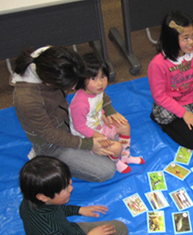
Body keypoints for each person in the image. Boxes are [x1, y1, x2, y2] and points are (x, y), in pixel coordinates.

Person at [11, 46, 116, 183]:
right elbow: (50, 134)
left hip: (73, 123)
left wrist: (107, 108)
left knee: (116, 137)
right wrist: (87, 144)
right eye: (69, 86)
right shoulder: (28, 100)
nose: (73, 88)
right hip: (51, 144)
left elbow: (92, 85)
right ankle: (45, 157)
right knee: (107, 171)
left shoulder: (61, 61)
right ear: (48, 83)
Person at [148, 11, 193, 150]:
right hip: (170, 105)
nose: (191, 42)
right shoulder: (158, 64)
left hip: (190, 100)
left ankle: (188, 116)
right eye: (185, 38)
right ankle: (161, 120)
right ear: (172, 38)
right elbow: (159, 96)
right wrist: (184, 114)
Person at [69, 54, 144, 174]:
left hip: (99, 126)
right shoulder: (79, 103)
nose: (100, 83)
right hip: (87, 136)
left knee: (124, 125)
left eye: (103, 77)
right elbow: (79, 127)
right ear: (82, 79)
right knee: (116, 148)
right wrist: (98, 136)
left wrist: (104, 114)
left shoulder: (96, 91)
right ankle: (115, 162)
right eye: (94, 78)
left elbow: (97, 106)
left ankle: (125, 156)